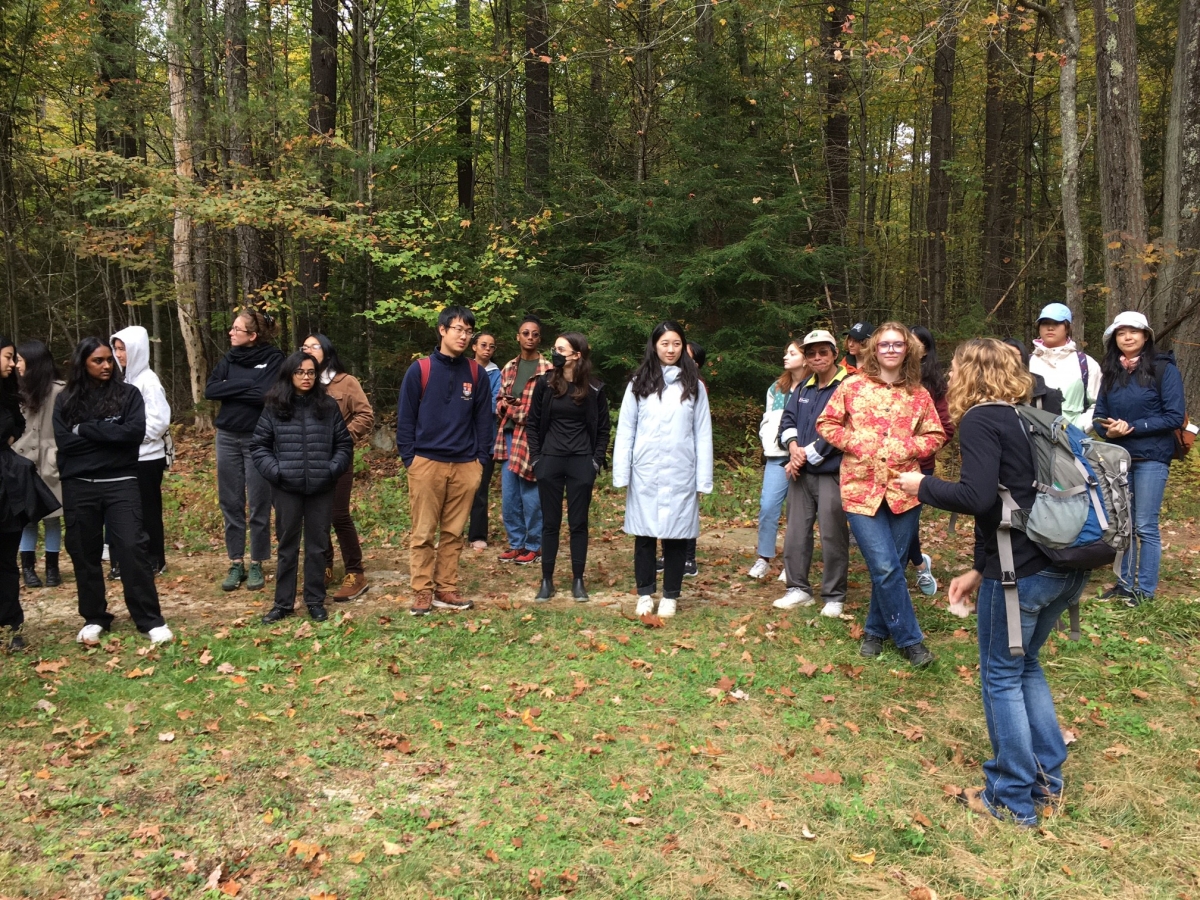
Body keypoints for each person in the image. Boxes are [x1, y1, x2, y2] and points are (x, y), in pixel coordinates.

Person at [895, 338, 1089, 826]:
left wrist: (924, 487)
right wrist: (980, 568)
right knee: (1027, 669)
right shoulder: (1033, 416)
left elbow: (977, 497)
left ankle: (1010, 797)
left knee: (1002, 676)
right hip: (1063, 567)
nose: (951, 374)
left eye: (957, 367)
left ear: (970, 373)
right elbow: (1013, 501)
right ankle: (1046, 782)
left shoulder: (983, 418)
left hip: (1022, 574)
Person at [816, 322, 945, 666]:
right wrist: (856, 441)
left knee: (889, 568)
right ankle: (910, 641)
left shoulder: (918, 393)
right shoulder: (853, 386)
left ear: (908, 350)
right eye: (884, 344)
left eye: (897, 344)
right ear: (874, 349)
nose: (890, 349)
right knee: (886, 566)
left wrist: (908, 445)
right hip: (861, 489)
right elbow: (826, 424)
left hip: (905, 489)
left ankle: (875, 630)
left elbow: (936, 434)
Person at [54, 338, 172, 645]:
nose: (107, 365)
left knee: (133, 548)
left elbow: (132, 434)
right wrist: (109, 436)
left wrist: (86, 430)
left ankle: (149, 619)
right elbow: (65, 444)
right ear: (83, 363)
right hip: (79, 487)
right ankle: (95, 617)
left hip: (121, 484)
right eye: (99, 360)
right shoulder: (66, 399)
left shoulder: (128, 394)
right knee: (84, 552)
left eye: (110, 359)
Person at [613, 321, 713, 619]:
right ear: (654, 346)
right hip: (646, 471)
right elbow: (626, 429)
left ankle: (670, 594)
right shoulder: (638, 383)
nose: (670, 349)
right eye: (665, 344)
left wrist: (703, 477)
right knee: (644, 534)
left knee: (676, 535)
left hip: (681, 470)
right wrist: (623, 471)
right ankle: (644, 592)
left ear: (683, 347)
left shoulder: (694, 385)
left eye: (676, 344)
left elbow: (703, 432)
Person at [396, 305, 492, 616]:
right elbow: (406, 419)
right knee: (423, 532)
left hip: (465, 464)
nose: (464, 336)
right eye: (458, 329)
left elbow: (483, 421)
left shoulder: (476, 373)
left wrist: (479, 460)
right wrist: (411, 459)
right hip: (426, 463)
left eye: (469, 331)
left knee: (453, 532)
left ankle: (446, 588)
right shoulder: (420, 370)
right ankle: (422, 591)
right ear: (442, 330)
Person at [252, 350, 354, 623]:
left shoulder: (328, 406)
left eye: (311, 373)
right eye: (300, 372)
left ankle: (314, 600)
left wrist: (331, 470)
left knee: (318, 545)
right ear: (290, 374)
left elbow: (344, 444)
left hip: (322, 486)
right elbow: (259, 446)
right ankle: (283, 603)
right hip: (287, 486)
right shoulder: (275, 406)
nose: (306, 377)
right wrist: (277, 471)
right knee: (287, 545)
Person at [1092, 311, 1185, 607]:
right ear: (1114, 340)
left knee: (1145, 524)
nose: (1127, 337)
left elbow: (1173, 416)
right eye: (1121, 333)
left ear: (1146, 336)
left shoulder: (1163, 369)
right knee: (1125, 524)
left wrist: (1132, 427)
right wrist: (1109, 430)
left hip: (1153, 457)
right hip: (1120, 459)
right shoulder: (1111, 372)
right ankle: (1124, 586)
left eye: (1134, 331)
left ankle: (1144, 592)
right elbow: (1098, 418)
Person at [526, 332, 611, 601]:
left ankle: (578, 581)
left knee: (578, 524)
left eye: (561, 349)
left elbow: (604, 429)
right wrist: (538, 459)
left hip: (581, 461)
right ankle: (547, 581)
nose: (555, 352)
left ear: (576, 355)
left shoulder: (595, 388)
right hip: (550, 460)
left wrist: (595, 461)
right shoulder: (545, 383)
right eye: (555, 348)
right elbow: (533, 423)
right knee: (550, 523)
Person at [205, 308, 284, 592]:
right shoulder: (230, 357)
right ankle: (235, 560)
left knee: (259, 502)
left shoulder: (273, 359)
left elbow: (267, 395)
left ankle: (257, 563)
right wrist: (244, 384)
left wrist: (231, 387)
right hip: (226, 436)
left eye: (236, 329)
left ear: (252, 335)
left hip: (258, 438)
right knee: (231, 501)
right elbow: (211, 390)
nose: (230, 333)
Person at [776, 329, 850, 614]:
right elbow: (788, 420)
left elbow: (845, 426)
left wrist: (808, 455)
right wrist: (793, 448)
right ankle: (797, 588)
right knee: (795, 532)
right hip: (800, 473)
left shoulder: (848, 384)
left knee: (833, 534)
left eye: (823, 352)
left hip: (831, 471)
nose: (817, 357)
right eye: (811, 353)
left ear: (834, 353)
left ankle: (834, 595)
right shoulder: (804, 387)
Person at [300, 334, 375, 601]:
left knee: (337, 514)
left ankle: (356, 572)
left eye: (313, 346)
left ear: (327, 350)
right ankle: (325, 566)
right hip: (308, 459)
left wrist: (344, 437)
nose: (307, 350)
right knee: (315, 515)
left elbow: (365, 414)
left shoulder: (346, 382)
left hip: (338, 457)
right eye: (304, 347)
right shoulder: (303, 382)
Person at [111, 326, 171, 577]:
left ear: (136, 349)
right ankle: (127, 560)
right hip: (125, 456)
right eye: (116, 348)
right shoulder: (121, 380)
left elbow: (159, 421)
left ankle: (155, 558)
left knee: (148, 509)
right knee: (125, 511)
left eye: (123, 348)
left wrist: (130, 437)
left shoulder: (149, 381)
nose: (118, 354)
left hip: (148, 457)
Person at [747, 339, 807, 581]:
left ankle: (792, 563)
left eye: (792, 353)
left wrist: (800, 452)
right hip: (776, 458)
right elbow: (767, 420)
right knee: (768, 507)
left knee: (798, 513)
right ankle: (763, 557)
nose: (786, 356)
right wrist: (767, 443)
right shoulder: (776, 388)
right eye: (786, 352)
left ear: (804, 358)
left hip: (804, 459)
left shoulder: (813, 387)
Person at [494, 316, 551, 565]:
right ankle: (516, 543)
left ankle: (534, 545)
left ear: (539, 338)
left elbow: (544, 410)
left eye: (534, 334)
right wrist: (505, 407)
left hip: (532, 438)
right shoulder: (509, 367)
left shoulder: (547, 370)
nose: (530, 337)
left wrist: (513, 410)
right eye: (525, 333)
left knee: (531, 494)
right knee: (510, 495)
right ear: (518, 337)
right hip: (508, 437)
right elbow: (499, 400)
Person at [906, 325, 954, 597]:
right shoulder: (889, 376)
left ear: (926, 349)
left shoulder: (934, 383)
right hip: (886, 464)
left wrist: (920, 451)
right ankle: (916, 563)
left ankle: (918, 566)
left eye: (917, 342)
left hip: (919, 465)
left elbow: (945, 428)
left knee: (908, 522)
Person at [13, 341, 64, 588]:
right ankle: (28, 569)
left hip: (51, 462)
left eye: (20, 360)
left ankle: (53, 569)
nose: (16, 365)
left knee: (53, 517)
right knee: (28, 518)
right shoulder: (13, 390)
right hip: (22, 464)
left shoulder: (60, 391)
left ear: (33, 362)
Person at [1028, 303, 1100, 433]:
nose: (1050, 328)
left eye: (1056, 323)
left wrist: (1081, 427)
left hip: (1072, 442)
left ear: (1067, 328)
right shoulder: (1026, 363)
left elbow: (1097, 403)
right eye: (1045, 323)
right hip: (1032, 442)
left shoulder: (1085, 364)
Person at [467, 331, 502, 550]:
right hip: (460, 438)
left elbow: (495, 404)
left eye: (491, 346)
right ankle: (451, 532)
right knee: (456, 487)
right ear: (474, 346)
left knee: (480, 488)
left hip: (486, 439)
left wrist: (470, 403)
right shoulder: (462, 367)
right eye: (483, 345)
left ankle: (477, 535)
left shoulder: (496, 373)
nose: (487, 349)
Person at [1003, 339, 1063, 414]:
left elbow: (1051, 423)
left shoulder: (1045, 395)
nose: (1005, 358)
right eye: (1001, 354)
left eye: (1011, 354)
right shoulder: (987, 390)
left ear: (1023, 357)